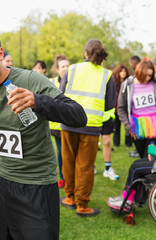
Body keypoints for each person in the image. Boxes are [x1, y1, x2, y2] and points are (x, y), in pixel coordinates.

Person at [0, 26, 87, 240]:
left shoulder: (31, 81)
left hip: (37, 185)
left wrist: (38, 101)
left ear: (0, 54)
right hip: (2, 182)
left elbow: (78, 116)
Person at [59, 39, 116, 217]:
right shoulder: (107, 75)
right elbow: (108, 105)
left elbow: (60, 94)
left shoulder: (72, 69)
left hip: (68, 123)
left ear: (85, 53)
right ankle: (82, 205)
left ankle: (69, 197)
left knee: (68, 161)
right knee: (85, 166)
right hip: (90, 126)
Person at [117, 60, 156, 159]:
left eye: (150, 75)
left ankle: (149, 173)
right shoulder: (127, 84)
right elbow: (121, 108)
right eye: (145, 75)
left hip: (155, 124)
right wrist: (129, 128)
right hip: (136, 125)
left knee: (150, 156)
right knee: (142, 155)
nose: (147, 78)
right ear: (138, 72)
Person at [49, 54, 70, 188]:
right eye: (63, 66)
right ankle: (62, 177)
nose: (65, 68)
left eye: (68, 66)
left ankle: (71, 177)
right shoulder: (51, 82)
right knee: (61, 152)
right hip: (57, 126)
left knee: (71, 152)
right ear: (57, 69)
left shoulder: (74, 81)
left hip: (70, 124)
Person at [112, 64, 131, 148]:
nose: (123, 73)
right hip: (116, 108)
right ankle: (116, 143)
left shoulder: (129, 82)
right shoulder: (114, 83)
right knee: (116, 126)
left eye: (124, 71)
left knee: (127, 126)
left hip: (127, 107)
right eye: (121, 71)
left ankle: (128, 143)